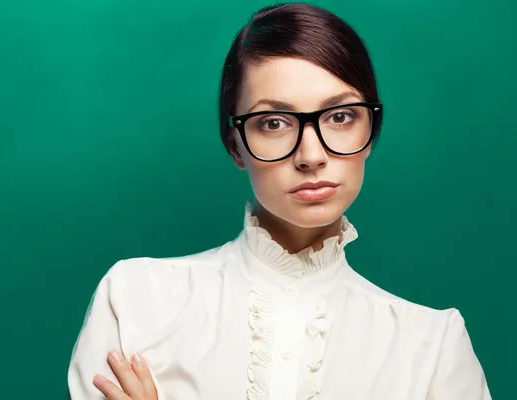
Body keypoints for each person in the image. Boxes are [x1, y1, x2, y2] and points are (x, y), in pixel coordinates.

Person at [67, 2, 492, 399]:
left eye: (340, 116)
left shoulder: (434, 347)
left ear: (371, 132)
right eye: (274, 122)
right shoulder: (135, 300)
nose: (311, 156)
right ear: (235, 145)